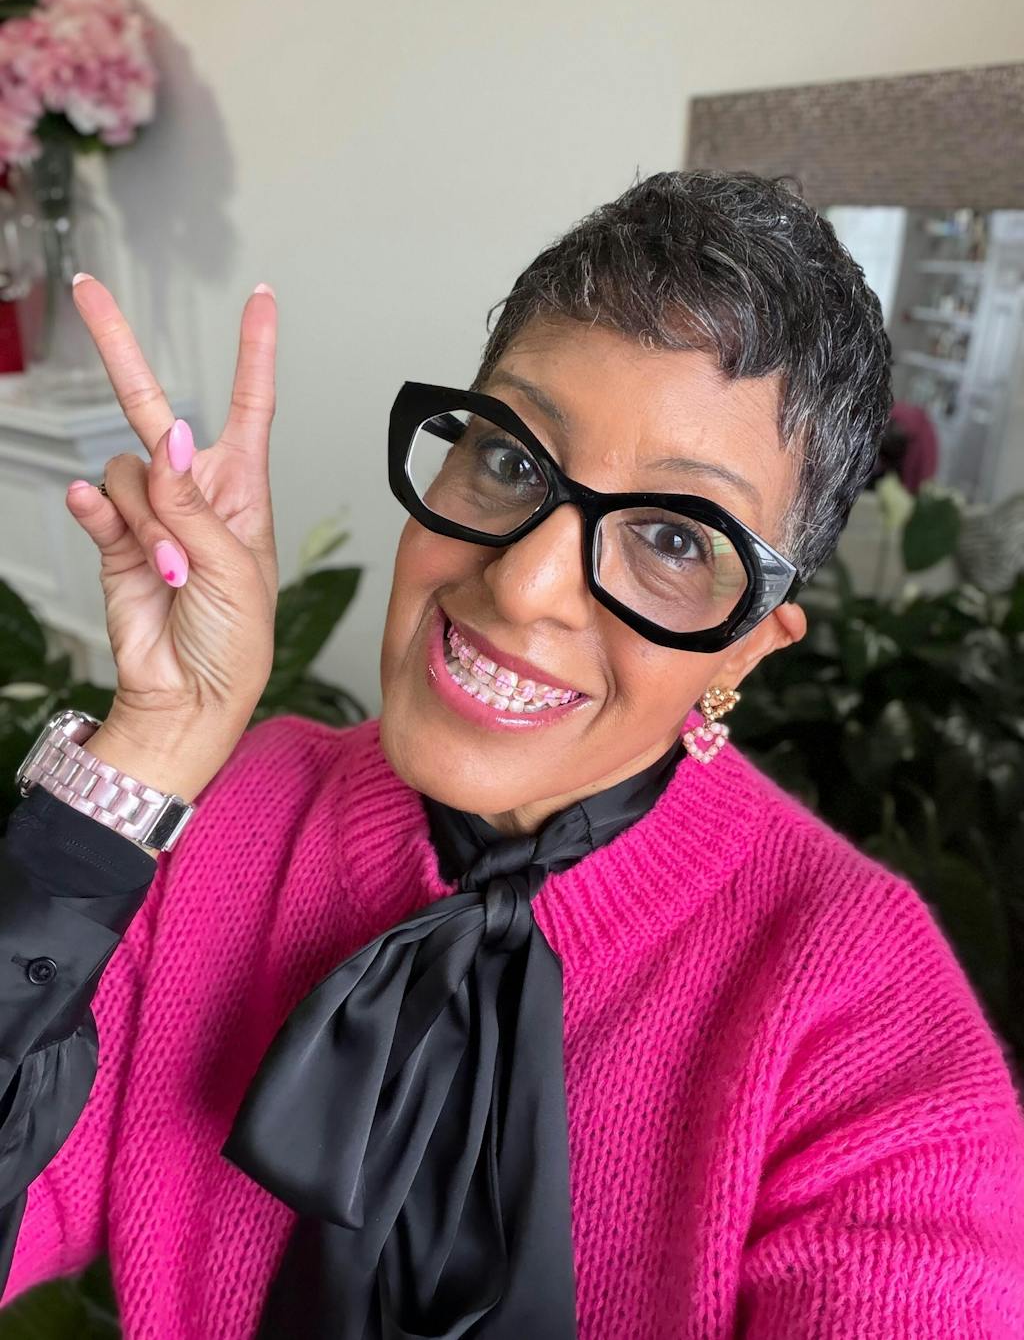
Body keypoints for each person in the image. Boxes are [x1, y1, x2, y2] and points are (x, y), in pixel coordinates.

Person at [0, 169, 1022, 1339]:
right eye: (511, 460)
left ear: (746, 647)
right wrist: (157, 742)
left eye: (673, 537)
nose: (525, 584)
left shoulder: (861, 1008)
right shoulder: (241, 813)